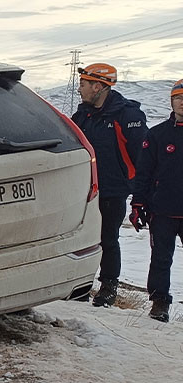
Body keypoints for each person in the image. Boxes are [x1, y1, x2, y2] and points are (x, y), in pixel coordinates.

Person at [70, 63, 147, 307]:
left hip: (113, 190)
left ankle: (108, 287)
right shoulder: (83, 115)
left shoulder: (127, 115)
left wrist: (141, 194)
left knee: (107, 239)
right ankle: (79, 285)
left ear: (98, 86)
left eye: (83, 84)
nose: (79, 89)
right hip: (82, 190)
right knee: (79, 239)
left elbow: (141, 158)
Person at [129, 78, 183, 322]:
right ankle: (159, 302)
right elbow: (144, 173)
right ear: (172, 101)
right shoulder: (158, 134)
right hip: (162, 210)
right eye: (178, 98)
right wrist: (137, 204)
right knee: (161, 258)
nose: (182, 103)